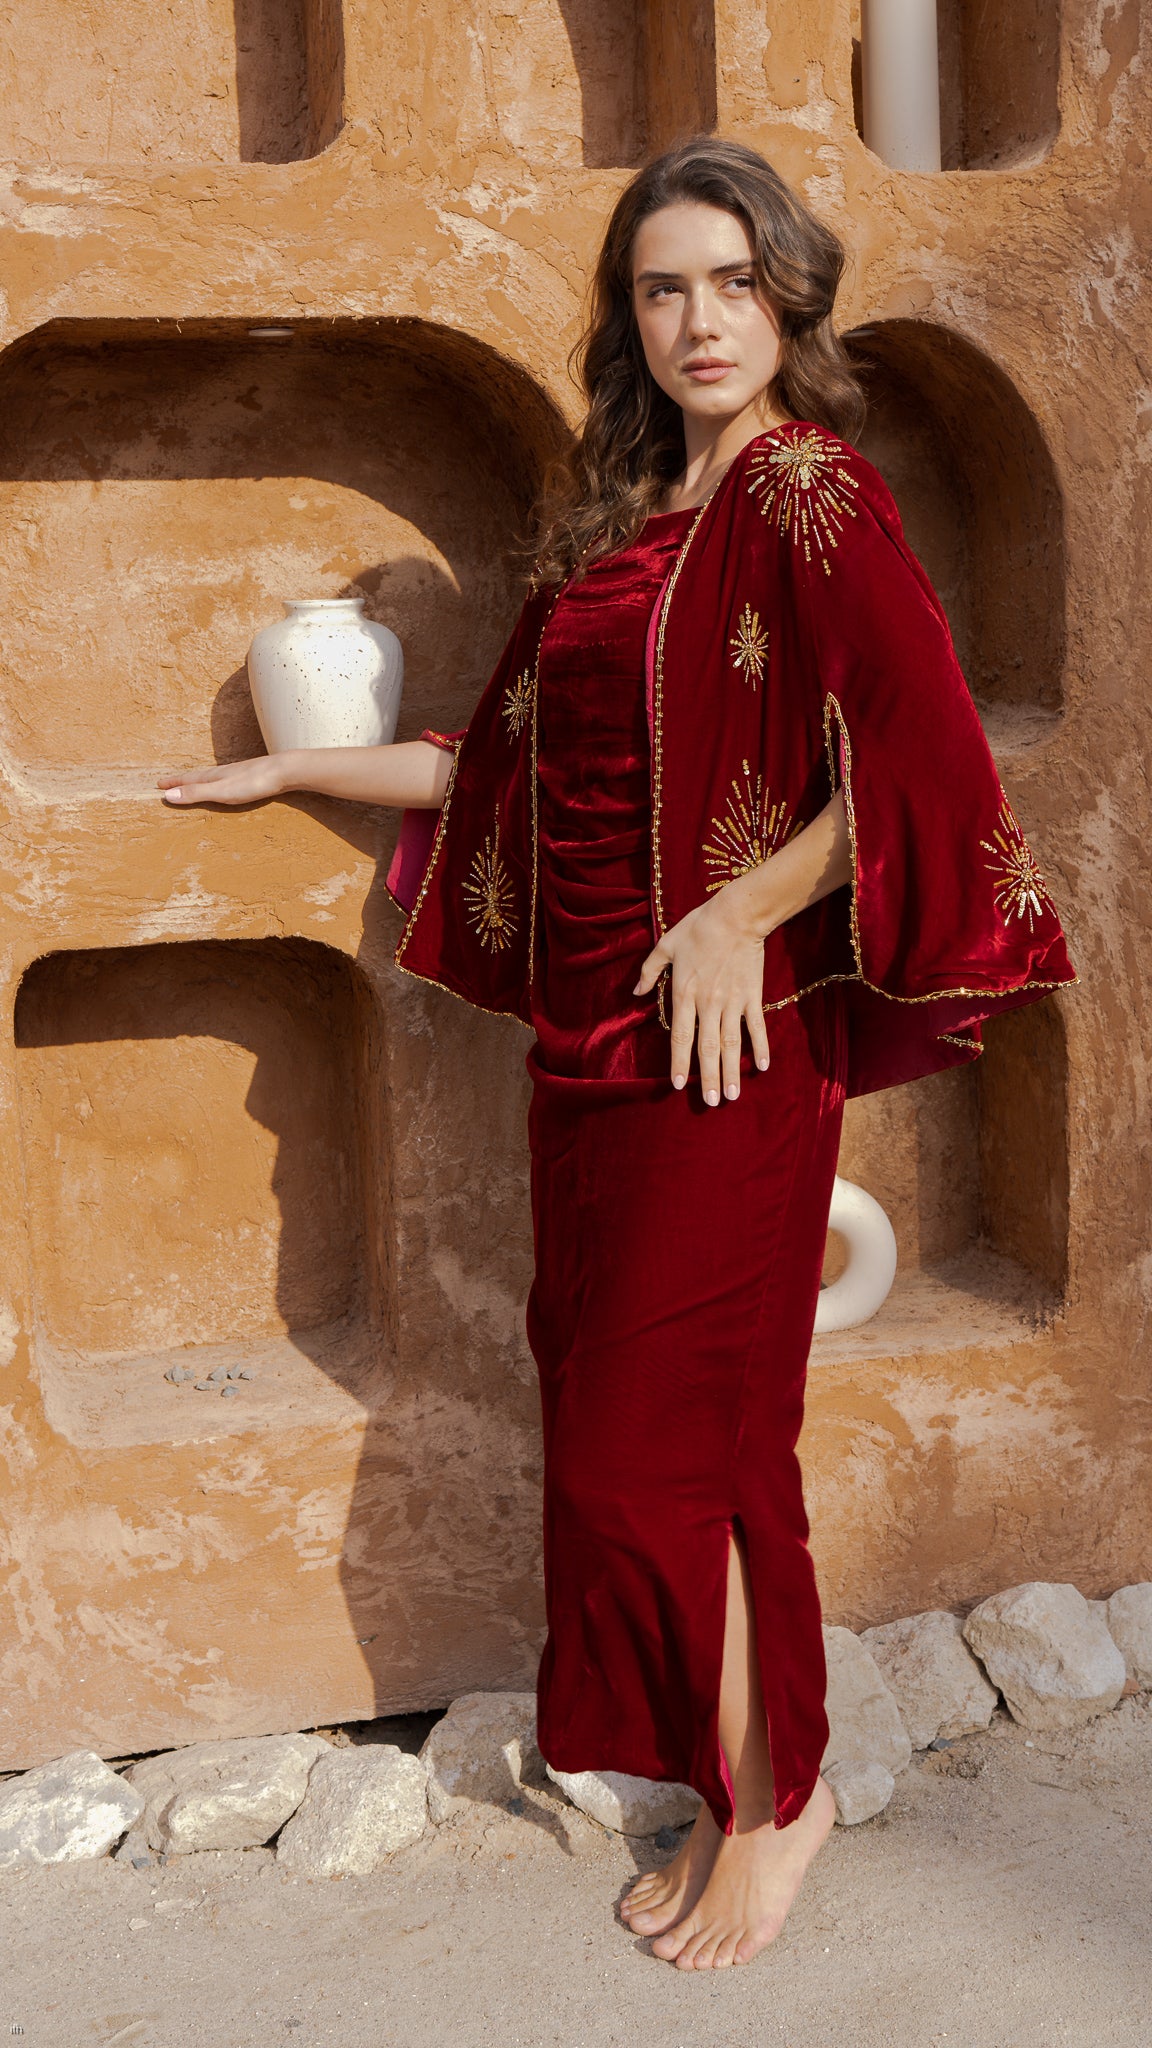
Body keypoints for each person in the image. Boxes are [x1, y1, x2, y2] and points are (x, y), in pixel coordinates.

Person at [159, 137, 1077, 1970]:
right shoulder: (624, 529)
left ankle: (777, 1799)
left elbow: (916, 758)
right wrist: (298, 767)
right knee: (641, 1431)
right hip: (587, 1057)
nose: (700, 319)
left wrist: (747, 908)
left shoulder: (812, 494)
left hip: (730, 1055)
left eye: (734, 280)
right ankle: (751, 1767)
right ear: (627, 316)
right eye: (664, 286)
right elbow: (498, 778)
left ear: (789, 295)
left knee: (666, 1452)